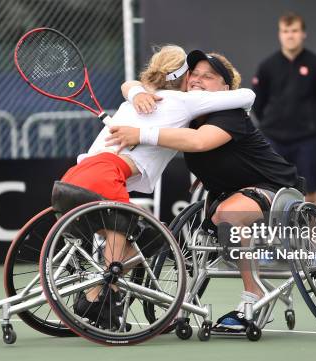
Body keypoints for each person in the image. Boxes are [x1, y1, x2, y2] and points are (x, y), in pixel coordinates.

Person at [57, 45, 256, 328]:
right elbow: (248, 95)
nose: (196, 81)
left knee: (142, 237)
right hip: (102, 176)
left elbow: (129, 85)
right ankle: (102, 301)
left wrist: (137, 92)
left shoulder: (132, 101)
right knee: (142, 243)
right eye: (193, 74)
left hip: (70, 179)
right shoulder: (184, 101)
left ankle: (91, 299)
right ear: (183, 76)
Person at [105, 50, 300, 333]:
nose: (197, 80)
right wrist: (136, 92)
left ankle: (253, 296)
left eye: (208, 76)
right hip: (225, 194)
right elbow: (133, 85)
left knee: (228, 213)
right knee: (218, 214)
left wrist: (140, 134)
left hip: (275, 188)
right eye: (193, 74)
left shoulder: (230, 114)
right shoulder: (185, 112)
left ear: (225, 88)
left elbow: (198, 142)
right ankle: (169, 302)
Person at [251, 12, 316, 208]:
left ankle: (315, 238)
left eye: (294, 31)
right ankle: (274, 238)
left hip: (305, 140)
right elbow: (258, 103)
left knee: (311, 193)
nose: (290, 35)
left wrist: (309, 122)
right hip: (273, 140)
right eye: (285, 31)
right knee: (270, 191)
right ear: (280, 34)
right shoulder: (267, 66)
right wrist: (273, 123)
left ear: (303, 34)